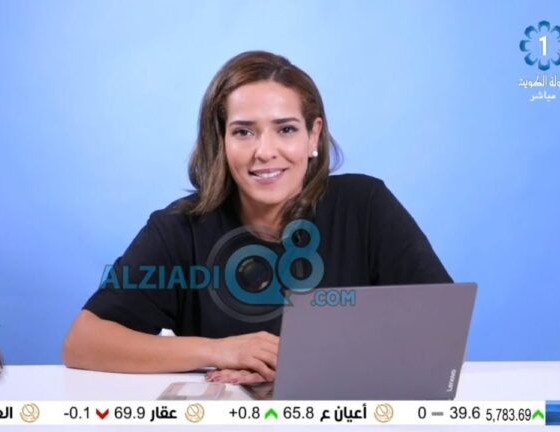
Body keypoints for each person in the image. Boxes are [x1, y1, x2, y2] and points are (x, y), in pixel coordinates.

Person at [62, 51, 451, 385]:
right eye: (244, 132)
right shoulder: (179, 229)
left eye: (286, 129)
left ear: (313, 136)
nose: (265, 151)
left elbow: (442, 330)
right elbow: (83, 342)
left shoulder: (365, 206)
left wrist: (302, 366)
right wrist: (220, 351)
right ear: (221, 140)